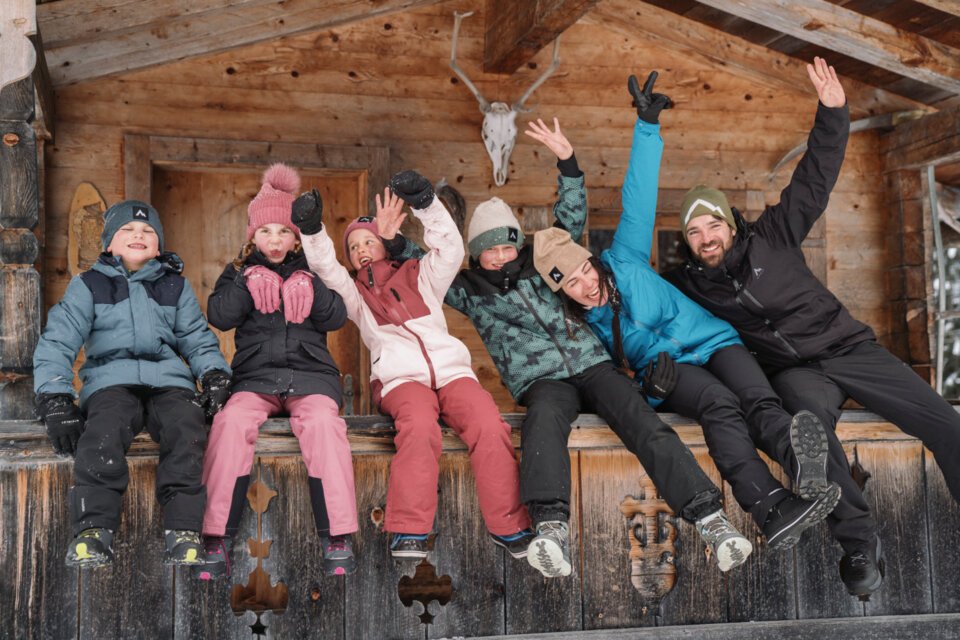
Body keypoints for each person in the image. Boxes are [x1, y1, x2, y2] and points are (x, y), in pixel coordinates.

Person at [380, 112, 753, 578]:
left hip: (592, 364)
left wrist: (568, 162)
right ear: (477, 254)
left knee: (640, 418)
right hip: (541, 381)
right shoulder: (470, 291)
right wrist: (394, 241)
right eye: (489, 250)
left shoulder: (543, 267)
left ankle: (710, 519)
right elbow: (425, 268)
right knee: (543, 423)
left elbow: (570, 219)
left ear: (517, 243)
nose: (500, 256)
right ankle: (551, 528)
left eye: (507, 246)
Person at [664, 56, 960, 599]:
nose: (706, 237)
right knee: (809, 440)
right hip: (795, 374)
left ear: (731, 224)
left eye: (713, 224)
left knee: (944, 422)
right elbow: (636, 299)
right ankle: (859, 545)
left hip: (848, 349)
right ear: (687, 242)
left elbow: (815, 177)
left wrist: (834, 111)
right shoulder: (689, 286)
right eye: (695, 231)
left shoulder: (773, 235)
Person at [533, 72, 842, 561]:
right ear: (562, 292)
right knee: (720, 404)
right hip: (672, 371)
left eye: (584, 271)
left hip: (716, 340)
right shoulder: (582, 327)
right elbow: (607, 384)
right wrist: (650, 392)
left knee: (759, 400)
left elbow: (639, 196)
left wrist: (647, 126)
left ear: (593, 260)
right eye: (570, 283)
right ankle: (771, 507)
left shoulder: (625, 258)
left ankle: (805, 467)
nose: (585, 285)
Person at [292, 171, 533, 562]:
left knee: (489, 424)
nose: (362, 249)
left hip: (452, 373)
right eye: (354, 246)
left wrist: (425, 201)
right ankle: (409, 529)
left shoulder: (420, 276)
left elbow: (450, 248)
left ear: (385, 244)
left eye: (369, 240)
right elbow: (325, 268)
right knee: (420, 427)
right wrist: (311, 229)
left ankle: (509, 526)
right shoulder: (354, 294)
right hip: (400, 380)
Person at [33, 200, 231, 568]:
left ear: (158, 247)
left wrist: (214, 376)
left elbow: (196, 339)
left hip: (169, 382)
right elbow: (58, 340)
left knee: (187, 428)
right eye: (127, 229)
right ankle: (94, 529)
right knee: (103, 431)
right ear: (109, 242)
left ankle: (183, 530)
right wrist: (55, 397)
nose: (138, 235)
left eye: (147, 231)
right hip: (111, 381)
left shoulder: (174, 286)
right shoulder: (89, 285)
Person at [198, 164, 358, 580]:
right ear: (253, 235)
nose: (274, 240)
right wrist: (246, 280)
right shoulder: (238, 272)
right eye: (266, 231)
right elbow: (219, 315)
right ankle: (216, 536)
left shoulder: (315, 268)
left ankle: (337, 536)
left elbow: (337, 316)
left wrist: (311, 283)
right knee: (230, 422)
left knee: (324, 425)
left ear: (296, 237)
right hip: (255, 379)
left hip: (311, 377)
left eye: (284, 231)